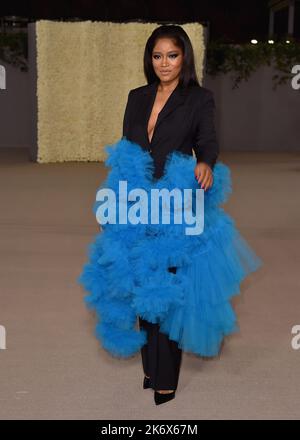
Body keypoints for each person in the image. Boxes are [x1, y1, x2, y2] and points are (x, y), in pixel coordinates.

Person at [122, 24, 219, 405]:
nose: (164, 63)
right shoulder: (136, 97)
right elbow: (128, 151)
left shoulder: (198, 99)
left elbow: (207, 139)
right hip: (135, 205)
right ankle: (151, 367)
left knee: (168, 290)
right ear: (150, 59)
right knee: (143, 287)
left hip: (175, 206)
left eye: (173, 55)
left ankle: (166, 380)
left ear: (185, 58)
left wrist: (206, 162)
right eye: (158, 55)